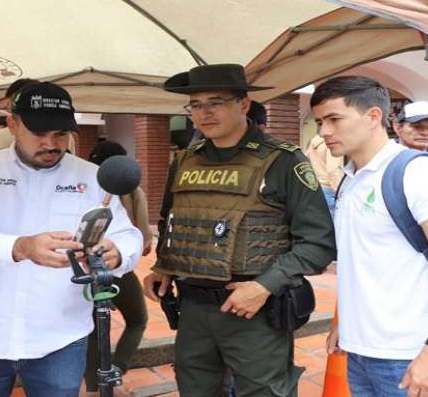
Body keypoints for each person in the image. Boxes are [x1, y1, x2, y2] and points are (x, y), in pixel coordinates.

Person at [0, 81, 143, 397]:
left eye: (60, 134)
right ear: (12, 123)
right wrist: (21, 247)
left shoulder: (92, 177)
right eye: (39, 133)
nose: (50, 143)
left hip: (60, 338)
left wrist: (117, 252)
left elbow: (128, 236)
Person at [143, 63, 336, 396]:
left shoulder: (283, 161)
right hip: (192, 310)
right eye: (196, 105)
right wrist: (164, 266)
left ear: (243, 104)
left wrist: (264, 286)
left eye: (215, 102)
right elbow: (170, 220)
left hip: (253, 311)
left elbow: (318, 243)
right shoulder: (185, 161)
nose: (205, 113)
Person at [312, 76, 428, 397]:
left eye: (334, 119)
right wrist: (346, 324)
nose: (324, 132)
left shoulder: (420, 174)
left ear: (374, 116)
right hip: (361, 353)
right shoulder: (351, 180)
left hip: (414, 355)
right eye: (320, 121)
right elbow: (363, 260)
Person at [83, 140, 152, 394]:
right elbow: (143, 232)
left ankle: (93, 386)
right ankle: (116, 371)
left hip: (86, 269)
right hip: (120, 267)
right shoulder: (132, 190)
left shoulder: (82, 185)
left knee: (92, 330)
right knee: (138, 320)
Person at [304, 134, 343, 213]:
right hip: (330, 190)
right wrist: (339, 193)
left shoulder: (314, 141)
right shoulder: (332, 142)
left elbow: (305, 159)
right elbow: (332, 170)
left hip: (317, 189)